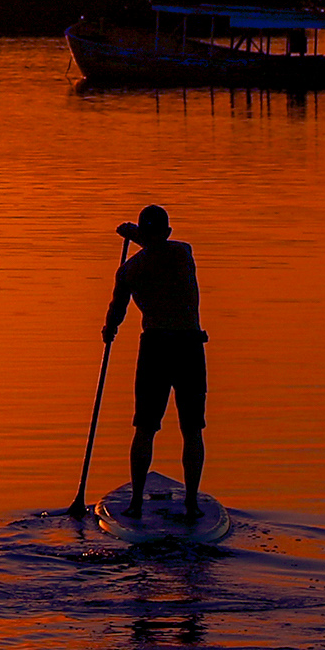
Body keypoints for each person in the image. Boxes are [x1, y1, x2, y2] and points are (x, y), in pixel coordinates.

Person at [103, 203, 207, 525]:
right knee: (192, 429)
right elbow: (157, 246)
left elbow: (116, 311)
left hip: (156, 349)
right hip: (188, 347)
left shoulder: (129, 271)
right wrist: (136, 234)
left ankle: (136, 503)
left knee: (144, 428)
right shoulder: (183, 254)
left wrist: (109, 329)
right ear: (168, 232)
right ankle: (191, 503)